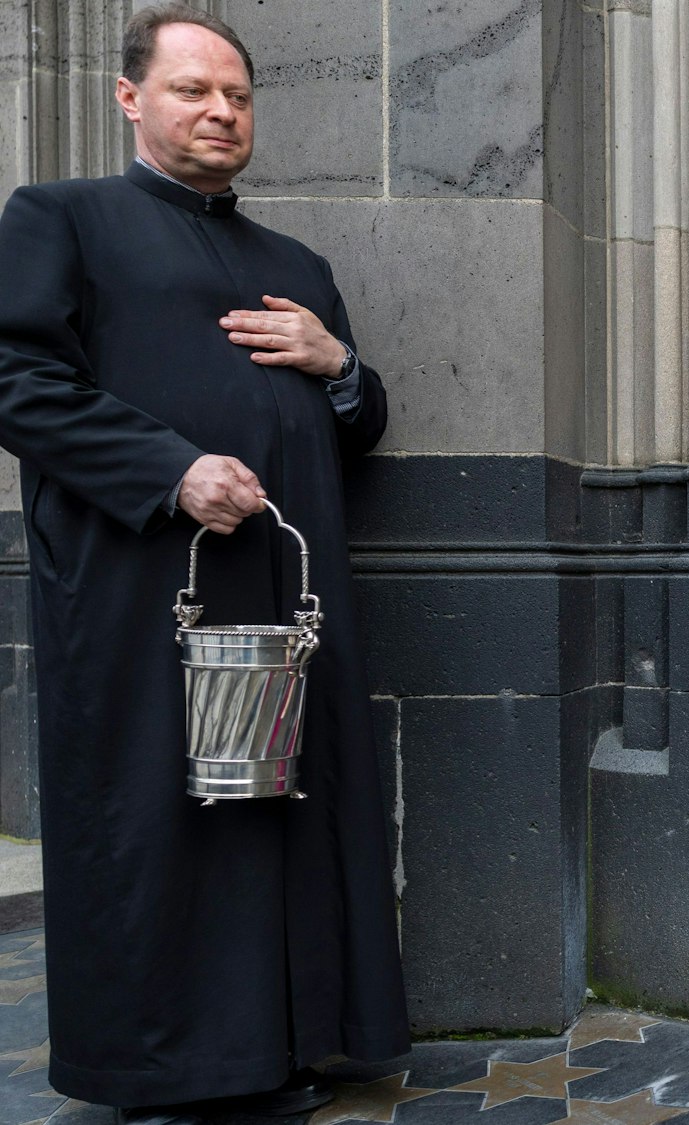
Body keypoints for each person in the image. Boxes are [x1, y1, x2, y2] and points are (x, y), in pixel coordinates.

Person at [0, 5, 408, 1120]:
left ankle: (292, 1045)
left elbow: (361, 424)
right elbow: (18, 383)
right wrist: (169, 471)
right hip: (142, 589)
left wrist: (339, 366)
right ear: (131, 98)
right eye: (193, 91)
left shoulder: (297, 264)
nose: (221, 112)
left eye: (236, 95)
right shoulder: (61, 219)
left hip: (287, 584)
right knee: (164, 816)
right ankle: (171, 1067)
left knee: (284, 808)